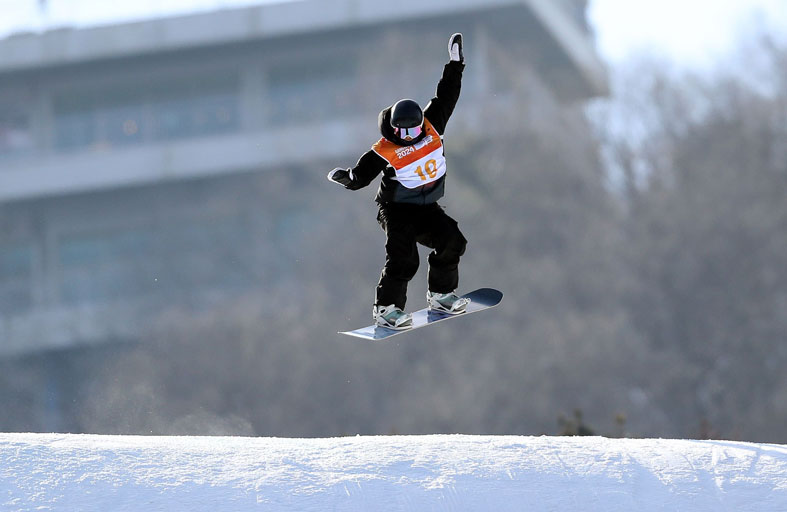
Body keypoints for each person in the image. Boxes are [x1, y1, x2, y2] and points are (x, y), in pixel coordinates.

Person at [328, 33, 469, 330]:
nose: (409, 137)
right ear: (392, 129)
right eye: (402, 133)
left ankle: (441, 294)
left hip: (428, 207)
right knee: (405, 259)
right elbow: (361, 175)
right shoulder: (385, 150)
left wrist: (455, 64)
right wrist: (346, 178)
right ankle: (387, 309)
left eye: (413, 131)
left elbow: (447, 95)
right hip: (397, 210)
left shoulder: (432, 125)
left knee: (452, 241)